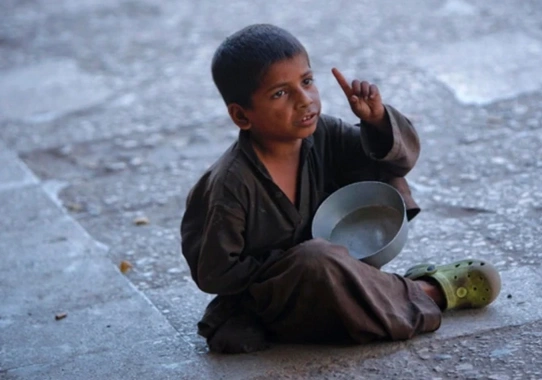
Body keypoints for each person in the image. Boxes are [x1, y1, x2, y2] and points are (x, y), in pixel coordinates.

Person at [180, 24, 501, 354]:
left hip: (333, 265)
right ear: (241, 116)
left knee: (379, 168)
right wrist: (293, 261)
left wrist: (376, 121)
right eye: (280, 93)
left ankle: (348, 291)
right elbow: (215, 274)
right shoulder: (230, 185)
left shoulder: (324, 135)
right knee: (315, 260)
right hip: (274, 290)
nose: (305, 100)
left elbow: (395, 166)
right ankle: (426, 290)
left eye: (306, 82)